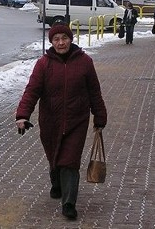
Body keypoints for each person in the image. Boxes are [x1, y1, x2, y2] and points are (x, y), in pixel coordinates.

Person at [15, 24, 107, 221]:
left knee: (70, 161)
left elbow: (94, 91)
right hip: (50, 121)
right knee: (55, 157)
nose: (61, 42)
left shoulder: (84, 62)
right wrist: (22, 115)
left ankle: (69, 203)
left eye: (64, 38)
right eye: (56, 39)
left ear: (70, 39)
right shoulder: (43, 64)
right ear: (51, 42)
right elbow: (32, 91)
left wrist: (100, 116)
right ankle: (56, 183)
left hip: (77, 121)